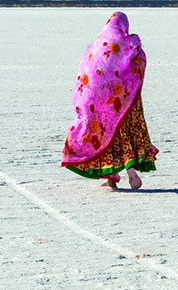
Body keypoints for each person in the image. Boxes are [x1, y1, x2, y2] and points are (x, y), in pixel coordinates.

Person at [61, 12, 157, 190]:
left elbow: (87, 74)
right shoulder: (132, 47)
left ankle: (112, 180)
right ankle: (130, 170)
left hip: (100, 104)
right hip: (126, 101)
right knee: (125, 135)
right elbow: (139, 66)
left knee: (107, 138)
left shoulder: (97, 48)